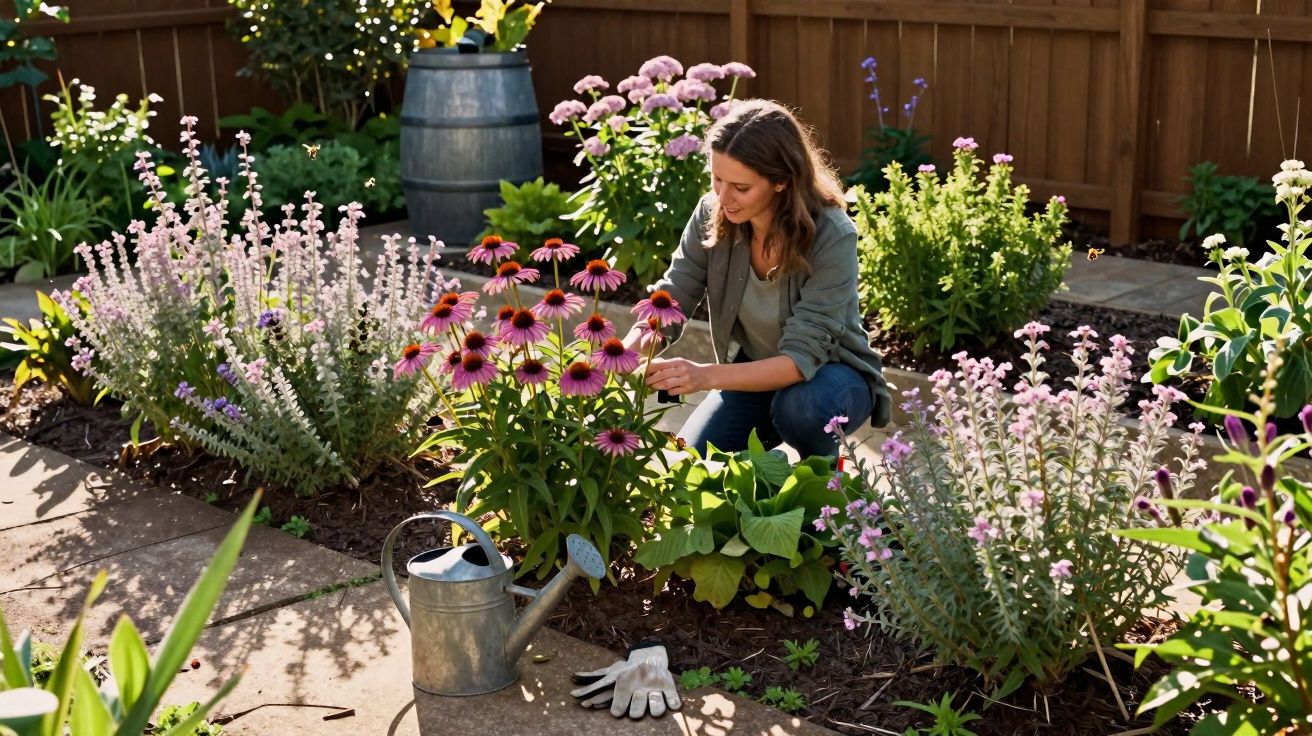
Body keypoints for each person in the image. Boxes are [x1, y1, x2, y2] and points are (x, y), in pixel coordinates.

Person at [626, 98, 891, 459]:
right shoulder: (712, 211)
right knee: (693, 463)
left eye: (741, 187)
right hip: (752, 377)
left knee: (800, 409)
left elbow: (801, 359)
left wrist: (703, 375)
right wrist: (622, 355)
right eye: (716, 179)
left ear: (781, 181)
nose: (723, 196)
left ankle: (827, 487)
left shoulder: (832, 234)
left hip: (830, 381)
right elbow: (673, 296)